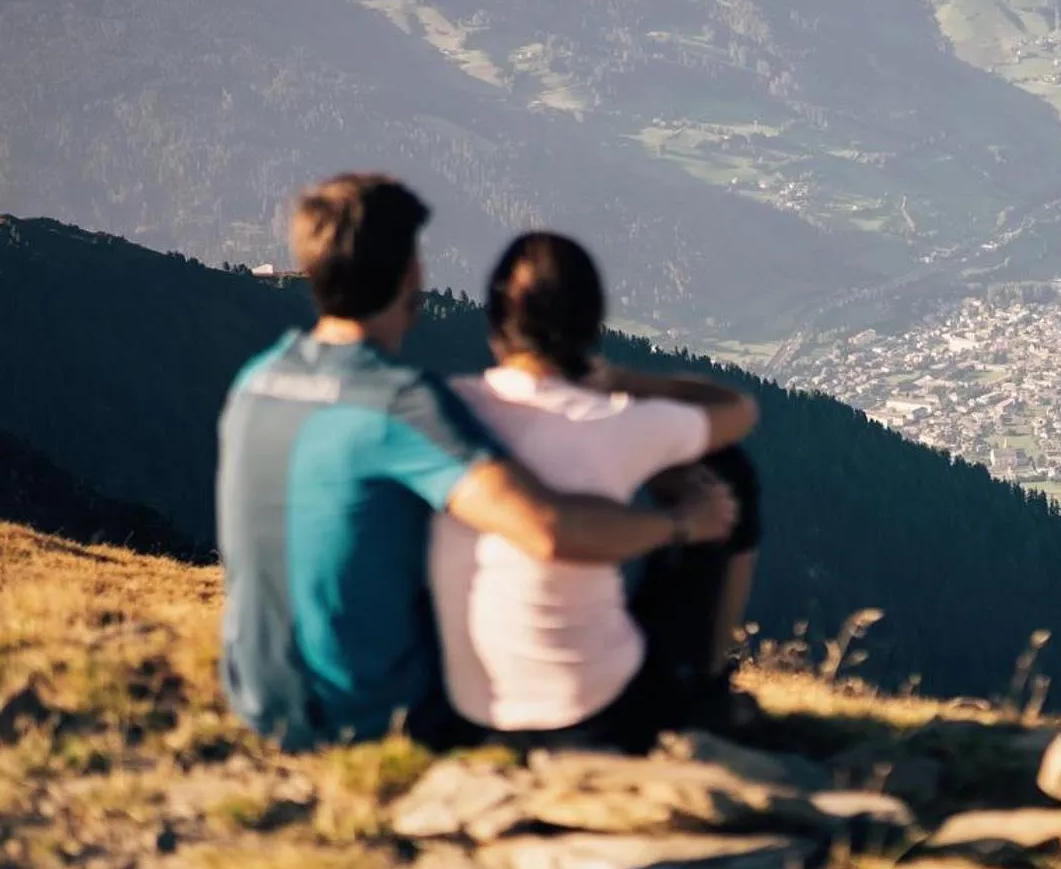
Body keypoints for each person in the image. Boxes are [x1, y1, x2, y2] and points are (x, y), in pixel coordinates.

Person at [215, 174, 747, 751]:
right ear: (410, 274)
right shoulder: (399, 404)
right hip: (363, 714)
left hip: (257, 697)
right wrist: (682, 524)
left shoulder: (259, 379)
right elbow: (548, 528)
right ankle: (699, 695)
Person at [431, 232, 763, 752]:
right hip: (596, 714)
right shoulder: (613, 419)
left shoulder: (449, 408)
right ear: (591, 325)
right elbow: (739, 411)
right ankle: (705, 686)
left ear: (496, 323)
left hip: (469, 706)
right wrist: (625, 381)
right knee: (725, 471)